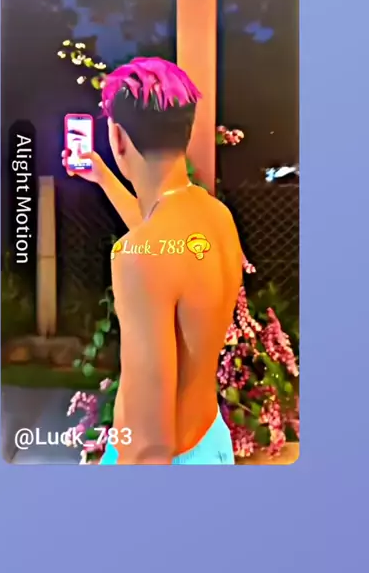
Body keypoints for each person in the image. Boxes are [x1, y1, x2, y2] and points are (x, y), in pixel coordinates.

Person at [62, 57, 243, 464]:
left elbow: (149, 444)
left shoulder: (137, 257)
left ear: (117, 137)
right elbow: (162, 241)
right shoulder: (215, 216)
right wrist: (105, 177)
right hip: (211, 442)